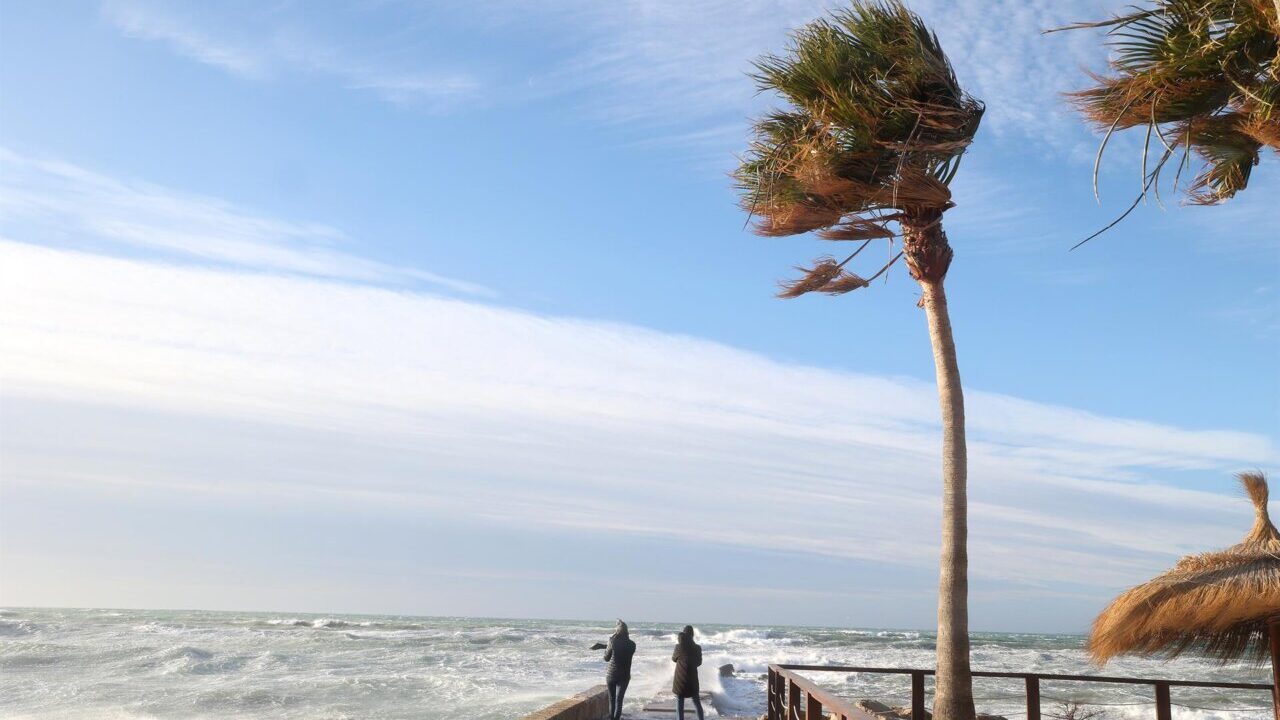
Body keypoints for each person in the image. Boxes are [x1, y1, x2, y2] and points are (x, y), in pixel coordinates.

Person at [603, 619, 635, 720]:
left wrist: (610, 640)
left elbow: (606, 658)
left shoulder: (612, 641)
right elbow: (623, 650)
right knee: (619, 700)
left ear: (617, 630)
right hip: (624, 676)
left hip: (611, 675)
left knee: (612, 699)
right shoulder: (632, 644)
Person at [671, 625, 704, 720]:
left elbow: (674, 659)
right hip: (692, 679)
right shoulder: (697, 648)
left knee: (679, 702)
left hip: (680, 679)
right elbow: (699, 662)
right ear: (692, 635)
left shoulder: (678, 646)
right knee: (696, 702)